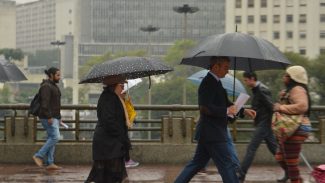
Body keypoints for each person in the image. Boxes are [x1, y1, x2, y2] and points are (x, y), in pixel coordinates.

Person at [174, 56, 255, 183]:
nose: (228, 71)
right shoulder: (208, 83)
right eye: (225, 68)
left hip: (209, 132)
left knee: (196, 163)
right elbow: (204, 108)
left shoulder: (216, 82)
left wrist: (243, 110)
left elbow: (226, 103)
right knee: (227, 165)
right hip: (213, 133)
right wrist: (227, 111)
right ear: (216, 66)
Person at [85, 75, 130, 183]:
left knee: (114, 175)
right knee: (106, 176)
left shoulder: (115, 98)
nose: (123, 88)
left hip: (112, 143)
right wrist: (121, 136)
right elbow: (108, 121)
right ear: (114, 85)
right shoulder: (107, 98)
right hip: (107, 143)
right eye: (121, 85)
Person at [273, 66, 312, 183]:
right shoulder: (292, 90)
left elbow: (302, 106)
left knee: (291, 162)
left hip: (297, 128)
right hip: (291, 128)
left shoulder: (297, 89)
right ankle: (298, 179)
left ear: (292, 77)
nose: (283, 77)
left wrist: (281, 107)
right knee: (280, 157)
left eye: (286, 75)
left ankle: (297, 180)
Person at [238, 72, 278, 182]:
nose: (245, 82)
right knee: (275, 149)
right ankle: (290, 170)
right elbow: (261, 106)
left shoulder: (261, 90)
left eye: (246, 80)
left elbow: (270, 106)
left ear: (252, 79)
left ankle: (241, 175)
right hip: (263, 123)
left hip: (264, 124)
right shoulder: (257, 90)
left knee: (251, 148)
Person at [32, 67, 63, 170]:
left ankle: (50, 163)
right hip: (47, 117)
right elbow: (45, 104)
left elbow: (55, 104)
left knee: (52, 138)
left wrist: (59, 118)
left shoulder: (53, 86)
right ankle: (38, 156)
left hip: (54, 117)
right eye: (58, 75)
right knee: (55, 137)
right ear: (51, 75)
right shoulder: (46, 86)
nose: (59, 77)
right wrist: (49, 116)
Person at [119, 88, 140, 168]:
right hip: (121, 125)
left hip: (124, 125)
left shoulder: (125, 101)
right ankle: (126, 160)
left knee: (126, 143)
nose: (124, 94)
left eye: (125, 92)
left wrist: (132, 118)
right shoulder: (118, 101)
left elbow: (129, 111)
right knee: (125, 143)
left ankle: (127, 160)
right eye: (123, 92)